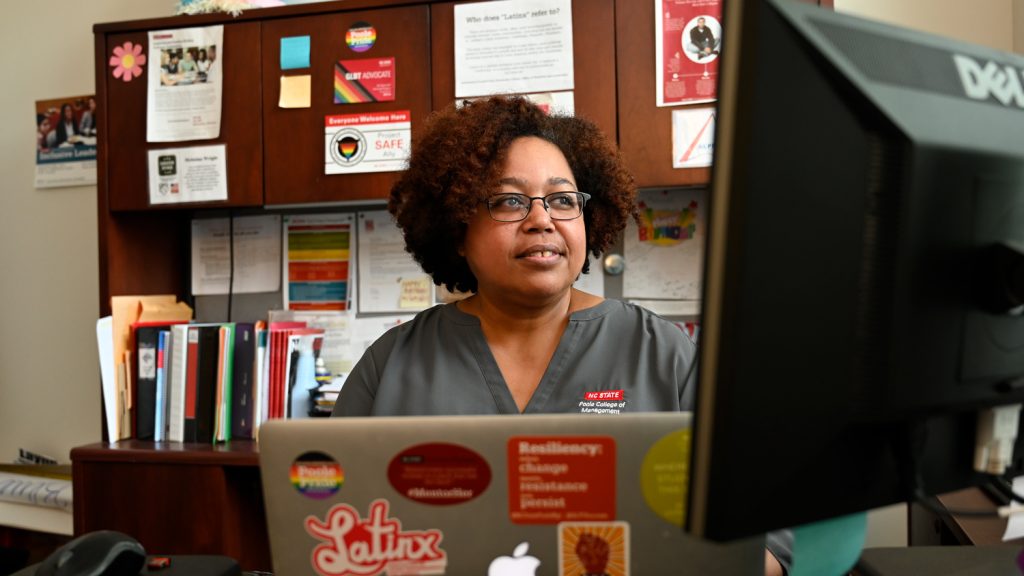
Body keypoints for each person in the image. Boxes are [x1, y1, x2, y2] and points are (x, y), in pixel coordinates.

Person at [331, 95, 791, 575]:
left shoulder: (664, 355)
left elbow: (769, 543)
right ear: (458, 230)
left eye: (562, 200)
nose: (542, 219)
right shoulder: (390, 366)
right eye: (510, 200)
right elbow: (329, 529)